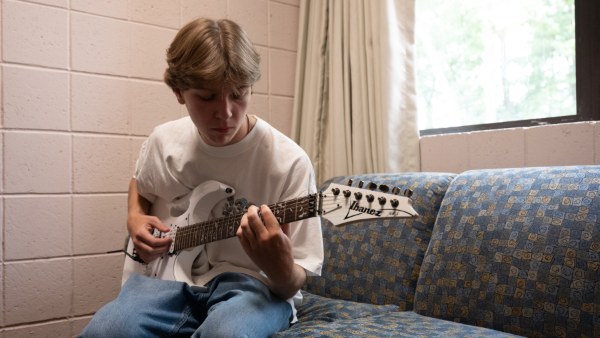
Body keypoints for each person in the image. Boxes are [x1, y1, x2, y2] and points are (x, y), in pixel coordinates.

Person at [80, 17, 323, 337]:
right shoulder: (163, 141)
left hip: (252, 287)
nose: (225, 112)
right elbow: (141, 183)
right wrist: (135, 218)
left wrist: (279, 269)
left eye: (239, 94)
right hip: (165, 282)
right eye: (207, 97)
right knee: (106, 331)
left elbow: (293, 281)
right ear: (179, 92)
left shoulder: (288, 162)